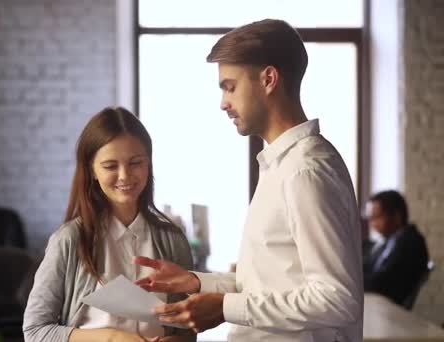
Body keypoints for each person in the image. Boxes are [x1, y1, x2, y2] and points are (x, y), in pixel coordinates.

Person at [133, 19, 363, 341]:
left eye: (230, 86)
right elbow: (271, 285)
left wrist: (226, 307)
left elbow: (337, 300)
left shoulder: (304, 171)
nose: (223, 103)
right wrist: (197, 283)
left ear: (269, 79)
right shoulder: (281, 165)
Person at [23, 106, 195, 342]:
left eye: (136, 163)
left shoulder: (172, 239)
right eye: (110, 166)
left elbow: (187, 330)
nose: (124, 176)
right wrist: (111, 337)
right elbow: (35, 331)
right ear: (92, 170)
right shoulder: (70, 239)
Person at [363, 190, 429, 307]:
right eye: (370, 218)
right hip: (376, 304)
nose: (372, 223)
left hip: (386, 309)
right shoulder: (390, 241)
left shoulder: (410, 243)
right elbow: (368, 267)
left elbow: (381, 284)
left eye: (376, 217)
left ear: (397, 216)